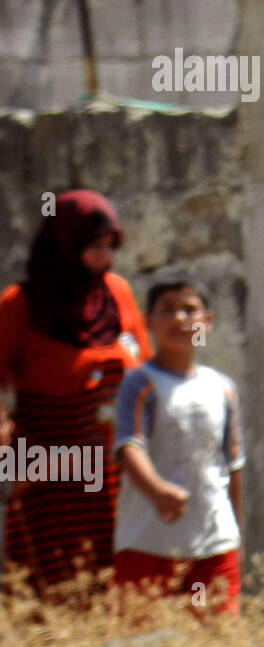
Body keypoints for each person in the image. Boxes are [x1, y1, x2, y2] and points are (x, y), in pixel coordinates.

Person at [0, 190, 151, 600]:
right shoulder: (20, 305)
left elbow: (145, 369)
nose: (105, 259)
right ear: (64, 245)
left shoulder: (116, 293)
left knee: (120, 589)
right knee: (55, 591)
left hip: (116, 472)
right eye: (94, 247)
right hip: (50, 475)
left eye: (110, 247)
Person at [112, 281, 244, 616]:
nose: (179, 319)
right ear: (149, 322)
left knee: (216, 645)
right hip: (149, 543)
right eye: (167, 310)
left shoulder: (222, 388)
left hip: (213, 545)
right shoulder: (139, 384)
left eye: (189, 309)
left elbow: (232, 466)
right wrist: (157, 491)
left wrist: (235, 535)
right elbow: (128, 447)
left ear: (207, 322)